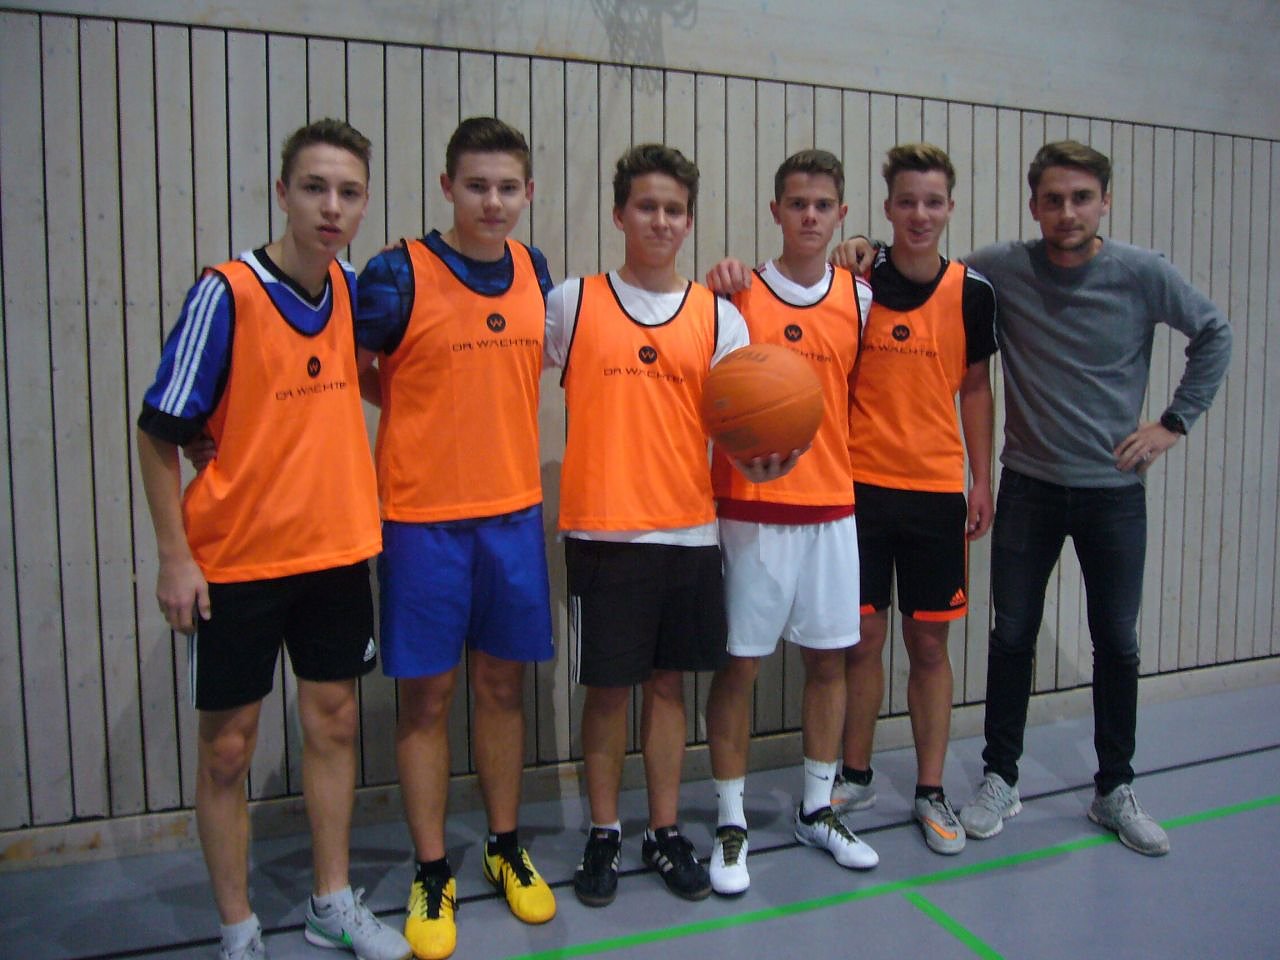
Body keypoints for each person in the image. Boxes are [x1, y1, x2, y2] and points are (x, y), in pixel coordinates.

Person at [838, 139, 1232, 856]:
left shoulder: (1143, 273)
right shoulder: (1000, 270)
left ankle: (1115, 788)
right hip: (1029, 486)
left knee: (1117, 642)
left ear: (1105, 201)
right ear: (1033, 206)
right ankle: (999, 778)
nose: (1067, 212)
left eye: (1081, 198)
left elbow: (1215, 333)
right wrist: (862, 244)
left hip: (1114, 492)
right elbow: (922, 261)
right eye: (1053, 200)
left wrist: (1173, 423)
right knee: (1011, 636)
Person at [136, 119, 411, 960]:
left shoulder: (357, 294)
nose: (332, 207)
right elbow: (158, 430)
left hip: (336, 552)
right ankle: (239, 929)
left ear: (364, 204)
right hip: (236, 562)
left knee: (334, 725)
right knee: (228, 749)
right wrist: (175, 556)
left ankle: (331, 902)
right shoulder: (227, 293)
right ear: (283, 192)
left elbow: (394, 377)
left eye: (349, 193)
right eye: (315, 188)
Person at [356, 117, 556, 959]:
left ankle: (505, 846)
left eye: (507, 187)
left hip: (513, 515)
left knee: (502, 689)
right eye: (476, 186)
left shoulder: (535, 271)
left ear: (528, 192)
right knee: (428, 699)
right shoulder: (396, 274)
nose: (492, 201)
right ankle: (432, 869)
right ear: (447, 187)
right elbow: (352, 369)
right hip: (421, 522)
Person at [544, 143, 756, 907]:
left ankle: (663, 830)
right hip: (602, 534)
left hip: (690, 532)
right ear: (619, 214)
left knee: (669, 689)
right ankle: (604, 831)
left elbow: (748, 421)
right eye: (646, 206)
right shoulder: (572, 303)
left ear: (689, 221)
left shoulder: (719, 317)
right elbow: (496, 376)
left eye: (674, 209)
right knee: (607, 692)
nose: (660, 220)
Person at [701, 149, 879, 897]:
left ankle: (816, 808)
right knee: (739, 666)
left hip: (832, 509)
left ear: (841, 215)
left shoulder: (861, 299)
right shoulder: (734, 295)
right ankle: (730, 819)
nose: (810, 216)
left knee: (830, 661)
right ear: (775, 210)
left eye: (823, 205)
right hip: (751, 511)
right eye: (797, 203)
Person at [831, 143, 997, 857]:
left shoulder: (972, 292)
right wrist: (850, 250)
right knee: (861, 641)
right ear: (889, 207)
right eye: (907, 201)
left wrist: (981, 479)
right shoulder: (857, 278)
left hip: (934, 494)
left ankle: (930, 790)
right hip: (860, 488)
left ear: (950, 207)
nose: (920, 214)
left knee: (928, 644)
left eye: (933, 202)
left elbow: (977, 389)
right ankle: (856, 775)